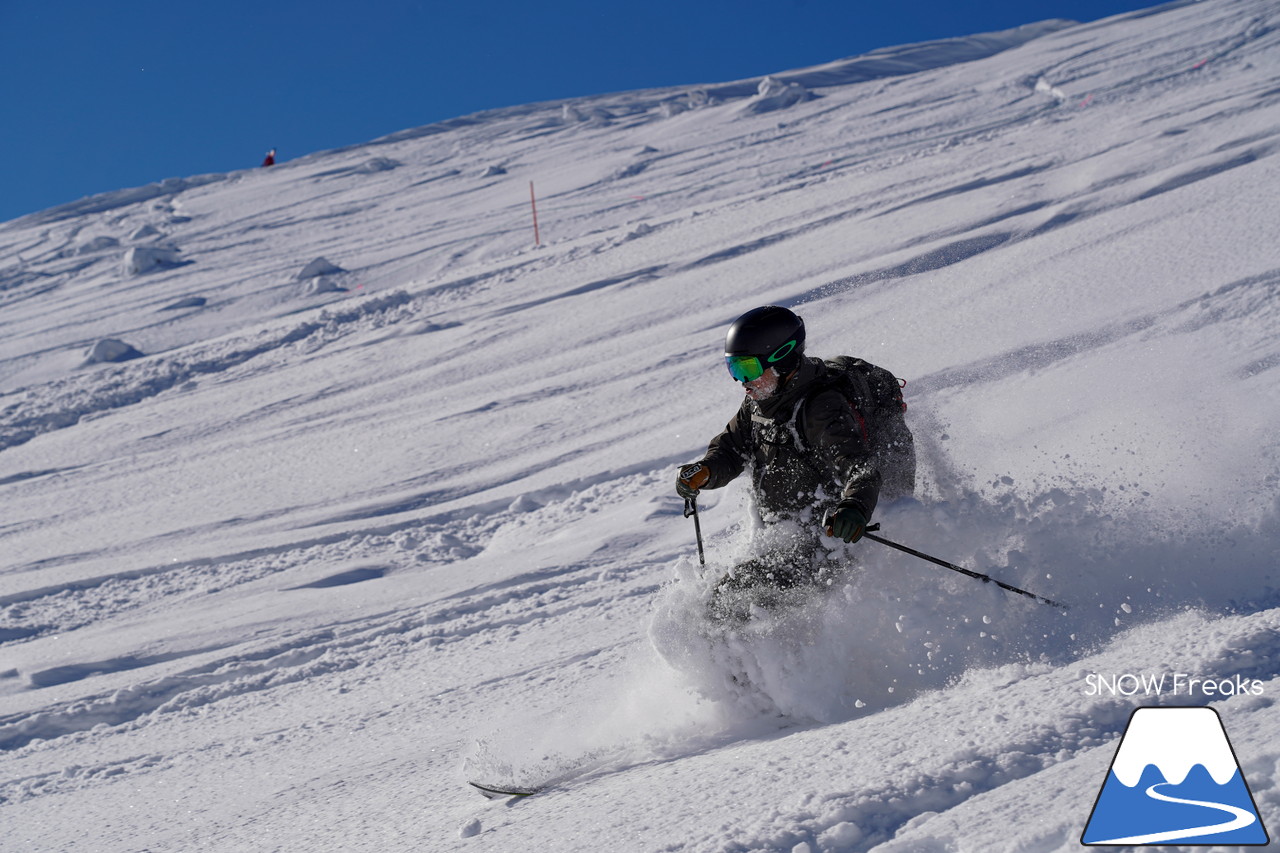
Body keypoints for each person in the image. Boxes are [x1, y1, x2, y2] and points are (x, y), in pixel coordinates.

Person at [676, 305, 915, 623]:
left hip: (826, 546)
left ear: (783, 358)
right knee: (718, 608)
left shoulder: (821, 409)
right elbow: (732, 448)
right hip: (785, 540)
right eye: (734, 369)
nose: (741, 382)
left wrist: (854, 508)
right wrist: (706, 471)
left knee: (719, 611)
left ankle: (760, 672)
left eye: (747, 368)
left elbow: (861, 468)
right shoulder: (760, 402)